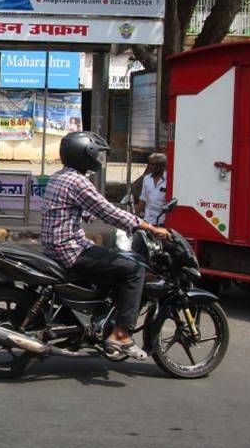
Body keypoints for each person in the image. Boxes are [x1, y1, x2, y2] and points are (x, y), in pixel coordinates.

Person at [41, 131, 170, 361]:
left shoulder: (59, 177)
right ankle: (121, 335)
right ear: (85, 155)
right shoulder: (78, 181)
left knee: (113, 260)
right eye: (96, 154)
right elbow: (107, 211)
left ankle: (98, 316)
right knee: (134, 269)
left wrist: (94, 215)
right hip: (70, 251)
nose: (98, 159)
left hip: (55, 247)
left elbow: (78, 209)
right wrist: (146, 226)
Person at [136, 152, 168, 226]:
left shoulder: (169, 179)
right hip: (147, 220)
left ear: (162, 166)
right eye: (149, 164)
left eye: (153, 164)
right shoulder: (146, 179)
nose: (150, 167)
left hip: (162, 221)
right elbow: (143, 199)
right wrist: (135, 216)